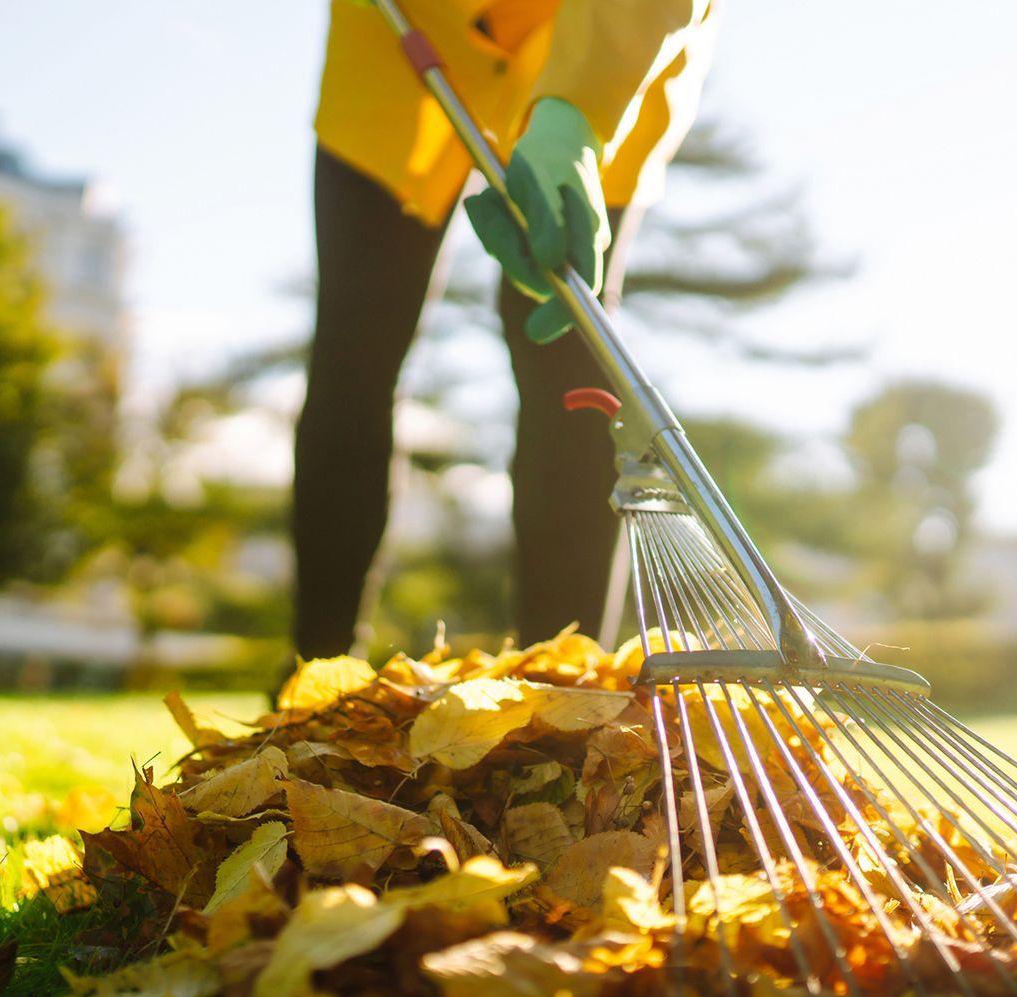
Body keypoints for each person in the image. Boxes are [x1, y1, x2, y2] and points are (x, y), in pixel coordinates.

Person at [293, 0, 717, 660]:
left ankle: (563, 684)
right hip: (405, 26)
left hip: (601, 32)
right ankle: (313, 680)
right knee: (357, 341)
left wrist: (575, 112)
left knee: (566, 357)